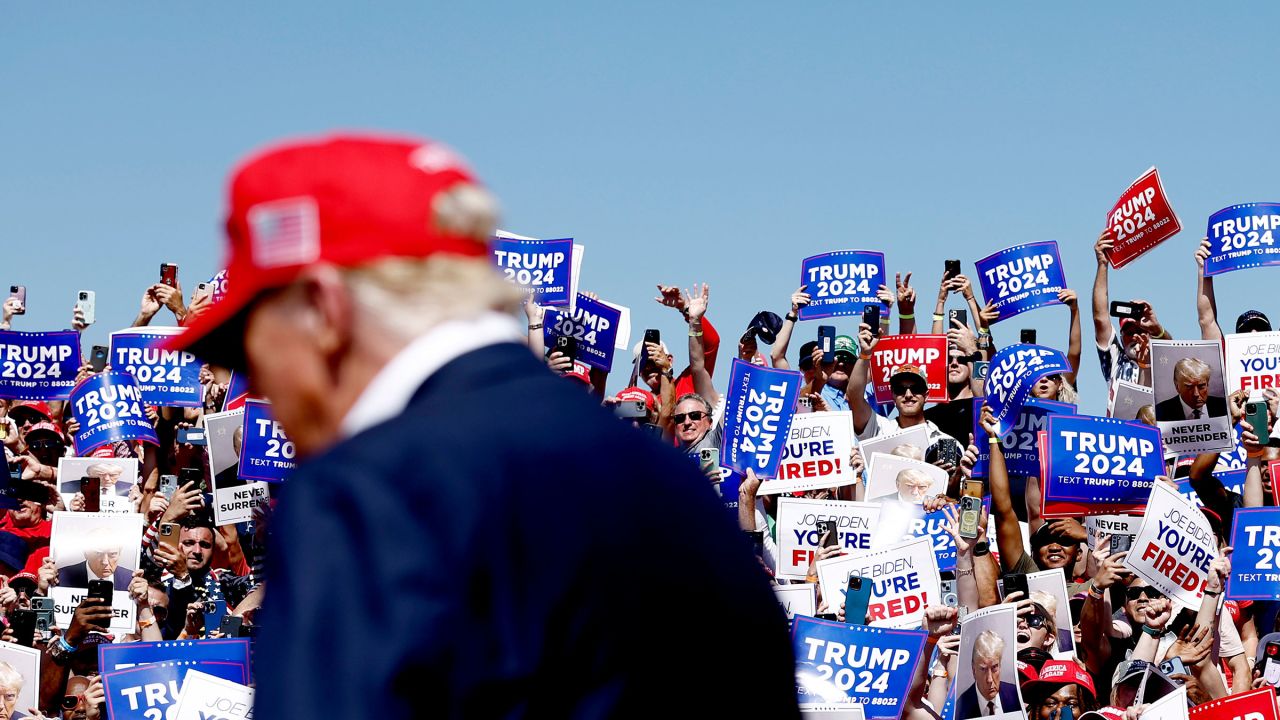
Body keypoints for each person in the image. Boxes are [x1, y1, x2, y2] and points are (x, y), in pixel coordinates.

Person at [166, 134, 797, 717]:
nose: (259, 387)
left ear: (325, 312)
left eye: (248, 348)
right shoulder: (671, 485)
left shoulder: (363, 497)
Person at [957, 630, 1020, 719]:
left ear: (1000, 665)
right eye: (983, 669)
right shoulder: (960, 707)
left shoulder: (1016, 695)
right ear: (973, 670)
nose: (990, 679)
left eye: (994, 667)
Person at [56, 527, 133, 591]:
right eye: (98, 554)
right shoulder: (60, 578)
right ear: (86, 553)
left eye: (112, 554)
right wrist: (44, 592)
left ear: (119, 554)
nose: (105, 562)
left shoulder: (131, 580)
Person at [1155, 357, 1227, 420]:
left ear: (1207, 384)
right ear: (1177, 387)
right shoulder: (1159, 413)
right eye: (1189, 387)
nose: (1196, 394)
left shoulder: (1225, 407)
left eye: (1201, 386)